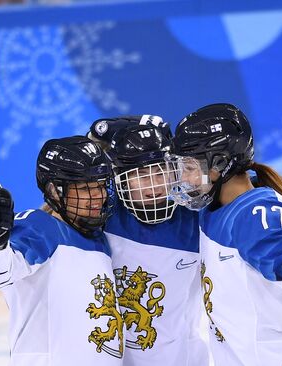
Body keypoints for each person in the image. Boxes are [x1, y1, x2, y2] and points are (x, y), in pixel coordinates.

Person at [168, 103, 282, 365]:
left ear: (219, 164)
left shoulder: (255, 209)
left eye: (189, 167)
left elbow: (277, 249)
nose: (183, 178)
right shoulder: (214, 208)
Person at [0, 135, 125, 366]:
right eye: (86, 188)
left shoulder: (99, 239)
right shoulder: (41, 227)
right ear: (55, 191)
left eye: (100, 185)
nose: (98, 196)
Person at [88, 116, 210, 365]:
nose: (154, 186)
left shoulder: (198, 220)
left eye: (160, 173)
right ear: (119, 178)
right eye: (141, 175)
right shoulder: (97, 218)